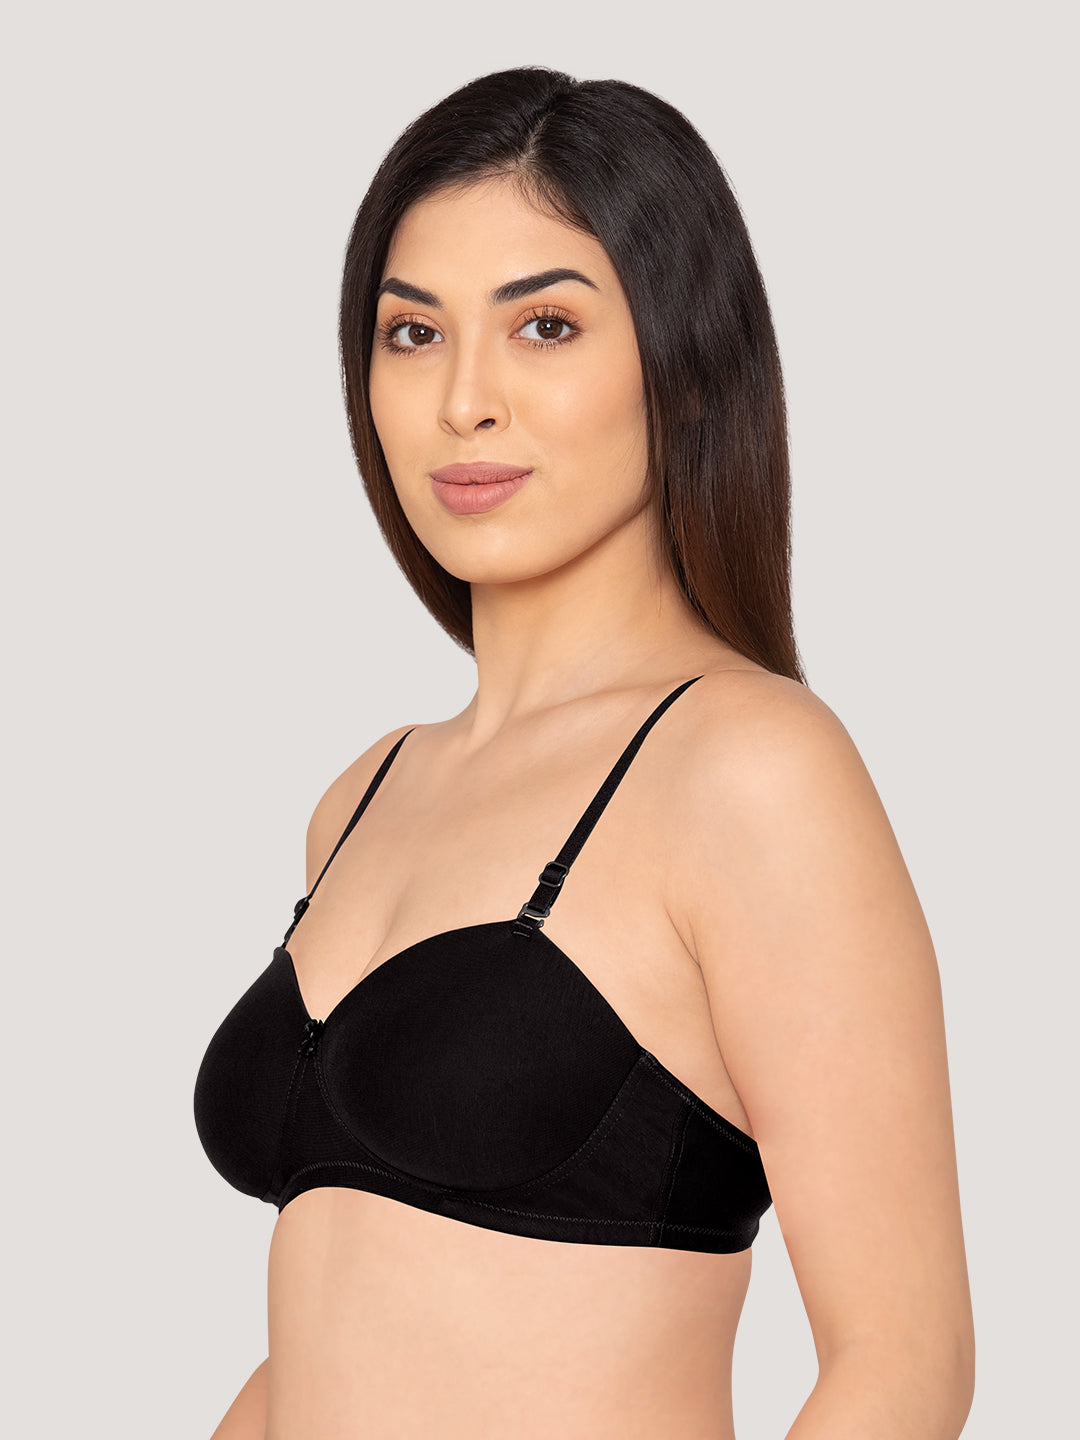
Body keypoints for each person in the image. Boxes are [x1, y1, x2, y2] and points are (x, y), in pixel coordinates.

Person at [194, 65, 975, 1439]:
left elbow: (902, 1363)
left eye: (544, 326)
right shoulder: (363, 794)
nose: (464, 401)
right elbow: (339, 1338)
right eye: (413, 333)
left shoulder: (748, 771)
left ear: (683, 365)